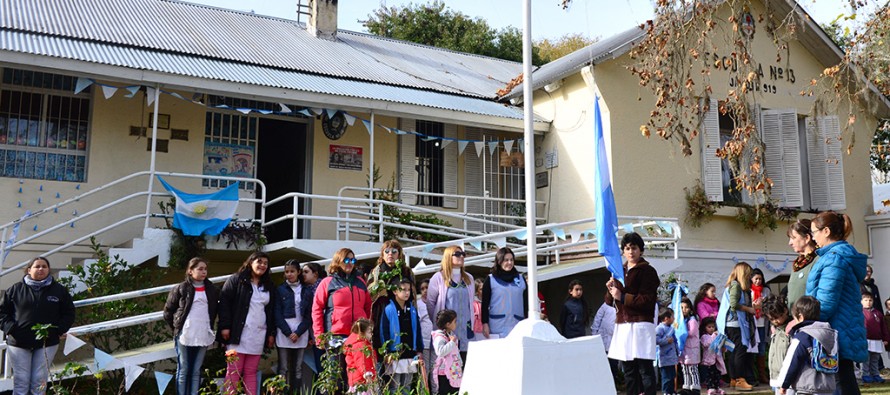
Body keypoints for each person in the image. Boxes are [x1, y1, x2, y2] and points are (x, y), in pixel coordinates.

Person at [806, 211, 868, 395]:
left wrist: (804, 322)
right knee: (844, 382)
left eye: (814, 232)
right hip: (840, 332)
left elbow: (825, 302)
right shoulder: (835, 257)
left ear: (826, 231)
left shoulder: (834, 259)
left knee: (839, 385)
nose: (812, 237)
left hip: (834, 335)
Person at [0, 257, 75, 395]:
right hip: (18, 342)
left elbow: (69, 313)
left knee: (39, 380)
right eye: (37, 266)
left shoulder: (59, 291)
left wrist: (58, 330)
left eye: (44, 266)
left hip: (47, 343)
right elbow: (2, 312)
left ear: (48, 269)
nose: (41, 269)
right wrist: (11, 328)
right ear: (29, 270)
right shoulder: (15, 289)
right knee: (21, 380)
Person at [605, 232, 660, 395]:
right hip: (623, 324)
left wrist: (622, 296)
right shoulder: (618, 270)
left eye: (634, 248)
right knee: (628, 370)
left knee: (644, 368)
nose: (630, 252)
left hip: (641, 324)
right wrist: (610, 290)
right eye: (627, 248)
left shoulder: (648, 271)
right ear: (623, 251)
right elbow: (610, 302)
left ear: (641, 250)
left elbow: (647, 300)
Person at [312, 248, 372, 390]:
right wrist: (319, 335)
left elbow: (368, 306)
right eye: (346, 260)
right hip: (335, 335)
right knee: (335, 377)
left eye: (352, 260)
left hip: (357, 336)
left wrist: (367, 328)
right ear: (338, 261)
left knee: (354, 376)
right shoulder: (328, 282)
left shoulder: (360, 282)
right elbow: (317, 309)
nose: (350, 263)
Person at [218, 252, 276, 395]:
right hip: (237, 333)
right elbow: (224, 302)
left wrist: (271, 333)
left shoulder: (269, 285)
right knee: (233, 371)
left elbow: (272, 311)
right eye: (259, 261)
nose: (262, 265)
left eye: (265, 263)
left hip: (258, 334)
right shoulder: (237, 280)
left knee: (251, 372)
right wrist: (225, 326)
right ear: (250, 263)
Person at [164, 257, 219, 395]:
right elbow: (168, 311)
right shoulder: (181, 288)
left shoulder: (211, 289)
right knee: (184, 368)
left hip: (203, 332)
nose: (204, 272)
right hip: (184, 333)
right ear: (190, 271)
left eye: (205, 269)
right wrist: (177, 328)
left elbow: (215, 309)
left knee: (196, 369)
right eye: (200, 269)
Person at [777, 296, 838, 395]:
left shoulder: (802, 337)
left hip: (807, 386)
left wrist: (784, 385)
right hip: (827, 386)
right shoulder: (830, 335)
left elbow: (792, 362)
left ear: (800, 316)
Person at [426, 246, 475, 360]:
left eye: (463, 254)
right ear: (448, 256)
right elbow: (430, 304)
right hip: (447, 330)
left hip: (465, 328)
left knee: (464, 365)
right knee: (446, 367)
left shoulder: (469, 278)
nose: (461, 256)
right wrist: (440, 322)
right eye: (457, 254)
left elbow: (470, 303)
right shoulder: (438, 277)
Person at [716, 262, 758, 391]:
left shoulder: (732, 285)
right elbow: (734, 305)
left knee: (733, 352)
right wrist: (749, 309)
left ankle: (734, 379)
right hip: (735, 325)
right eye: (748, 274)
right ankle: (740, 379)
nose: (750, 277)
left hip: (729, 325)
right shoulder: (736, 286)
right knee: (740, 351)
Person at [378, 278, 424, 394]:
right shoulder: (388, 309)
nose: (407, 292)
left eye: (409, 290)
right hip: (395, 354)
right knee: (395, 385)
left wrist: (419, 349)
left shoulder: (412, 309)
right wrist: (387, 352)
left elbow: (417, 330)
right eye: (403, 290)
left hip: (410, 353)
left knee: (407, 385)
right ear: (395, 291)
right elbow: (384, 332)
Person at [274, 259, 309, 394]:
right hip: (284, 331)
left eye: (292, 271)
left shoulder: (306, 290)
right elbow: (276, 313)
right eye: (286, 271)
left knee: (298, 367)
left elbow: (309, 314)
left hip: (301, 331)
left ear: (298, 272)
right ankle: (282, 391)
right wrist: (288, 332)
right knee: (283, 367)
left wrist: (298, 332)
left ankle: (296, 391)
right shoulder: (280, 289)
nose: (289, 274)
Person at [482, 247, 528, 339]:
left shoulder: (521, 279)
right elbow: (485, 304)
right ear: (499, 261)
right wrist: (485, 323)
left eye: (511, 260)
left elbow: (526, 302)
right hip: (497, 326)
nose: (510, 263)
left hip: (518, 325)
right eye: (506, 260)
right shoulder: (491, 279)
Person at [299, 262, 326, 387]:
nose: (302, 275)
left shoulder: (323, 287)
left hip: (325, 333)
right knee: (320, 367)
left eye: (306, 272)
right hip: (314, 335)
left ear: (315, 274)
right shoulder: (305, 289)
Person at [762, 295, 792, 395]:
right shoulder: (775, 329)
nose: (775, 321)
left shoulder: (791, 329)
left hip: (788, 379)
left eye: (777, 317)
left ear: (785, 311)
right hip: (775, 377)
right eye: (771, 319)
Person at [787, 219, 818, 311]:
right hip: (794, 319)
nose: (790, 243)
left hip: (808, 319)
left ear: (807, 238)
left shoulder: (818, 261)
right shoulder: (797, 264)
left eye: (793, 238)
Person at [432, 309, 463, 395]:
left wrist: (460, 362)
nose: (456, 324)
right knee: (445, 391)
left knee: (455, 391)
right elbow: (440, 352)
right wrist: (451, 343)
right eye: (455, 322)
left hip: (453, 370)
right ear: (448, 324)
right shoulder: (439, 337)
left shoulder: (450, 334)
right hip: (443, 372)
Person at [343, 318, 377, 394]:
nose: (371, 334)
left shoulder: (355, 344)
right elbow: (362, 362)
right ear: (362, 333)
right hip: (362, 381)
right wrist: (368, 376)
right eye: (369, 332)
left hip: (356, 380)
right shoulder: (361, 345)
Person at [860, 292, 888, 383]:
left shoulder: (878, 313)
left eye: (870, 300)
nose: (868, 302)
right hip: (865, 340)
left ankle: (875, 374)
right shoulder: (859, 312)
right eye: (866, 300)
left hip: (877, 340)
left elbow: (883, 327)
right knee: (866, 359)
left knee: (875, 359)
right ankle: (865, 374)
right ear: (861, 301)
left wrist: (885, 338)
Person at [751, 268, 771, 384]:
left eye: (760, 279)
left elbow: (770, 304)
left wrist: (763, 308)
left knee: (762, 349)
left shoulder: (766, 290)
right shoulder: (749, 291)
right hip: (753, 323)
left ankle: (762, 374)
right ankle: (752, 375)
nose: (758, 281)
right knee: (752, 349)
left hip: (763, 323)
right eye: (756, 279)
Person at [416, 279, 436, 394]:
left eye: (427, 287)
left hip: (436, 342)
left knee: (435, 370)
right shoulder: (418, 304)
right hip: (424, 342)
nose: (425, 291)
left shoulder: (437, 301)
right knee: (425, 370)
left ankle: (435, 392)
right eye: (422, 289)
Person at [592, 301, 619, 382]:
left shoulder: (622, 305)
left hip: (615, 341)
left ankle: (613, 385)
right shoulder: (605, 305)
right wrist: (594, 336)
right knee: (602, 365)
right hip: (603, 340)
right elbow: (597, 319)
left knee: (613, 365)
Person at [679, 298, 701, 395]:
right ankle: (686, 386)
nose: (684, 310)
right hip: (684, 349)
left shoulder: (692, 320)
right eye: (682, 308)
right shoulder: (681, 321)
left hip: (692, 349)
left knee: (693, 369)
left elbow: (692, 332)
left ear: (690, 309)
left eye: (686, 307)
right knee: (685, 368)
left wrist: (682, 332)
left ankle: (695, 386)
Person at [699, 317, 726, 395]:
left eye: (713, 327)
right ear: (705, 328)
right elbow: (707, 344)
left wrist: (723, 344)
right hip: (708, 361)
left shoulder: (716, 336)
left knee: (716, 375)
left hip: (716, 360)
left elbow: (719, 346)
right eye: (709, 327)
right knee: (709, 376)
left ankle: (717, 388)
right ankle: (710, 388)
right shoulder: (704, 336)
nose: (711, 329)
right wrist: (715, 336)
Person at [657, 307, 679, 395]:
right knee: (666, 377)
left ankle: (671, 391)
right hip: (664, 357)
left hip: (672, 357)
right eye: (672, 317)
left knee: (672, 375)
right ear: (666, 318)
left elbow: (675, 340)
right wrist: (666, 341)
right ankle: (666, 391)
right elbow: (656, 340)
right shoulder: (660, 328)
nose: (674, 319)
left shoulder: (671, 328)